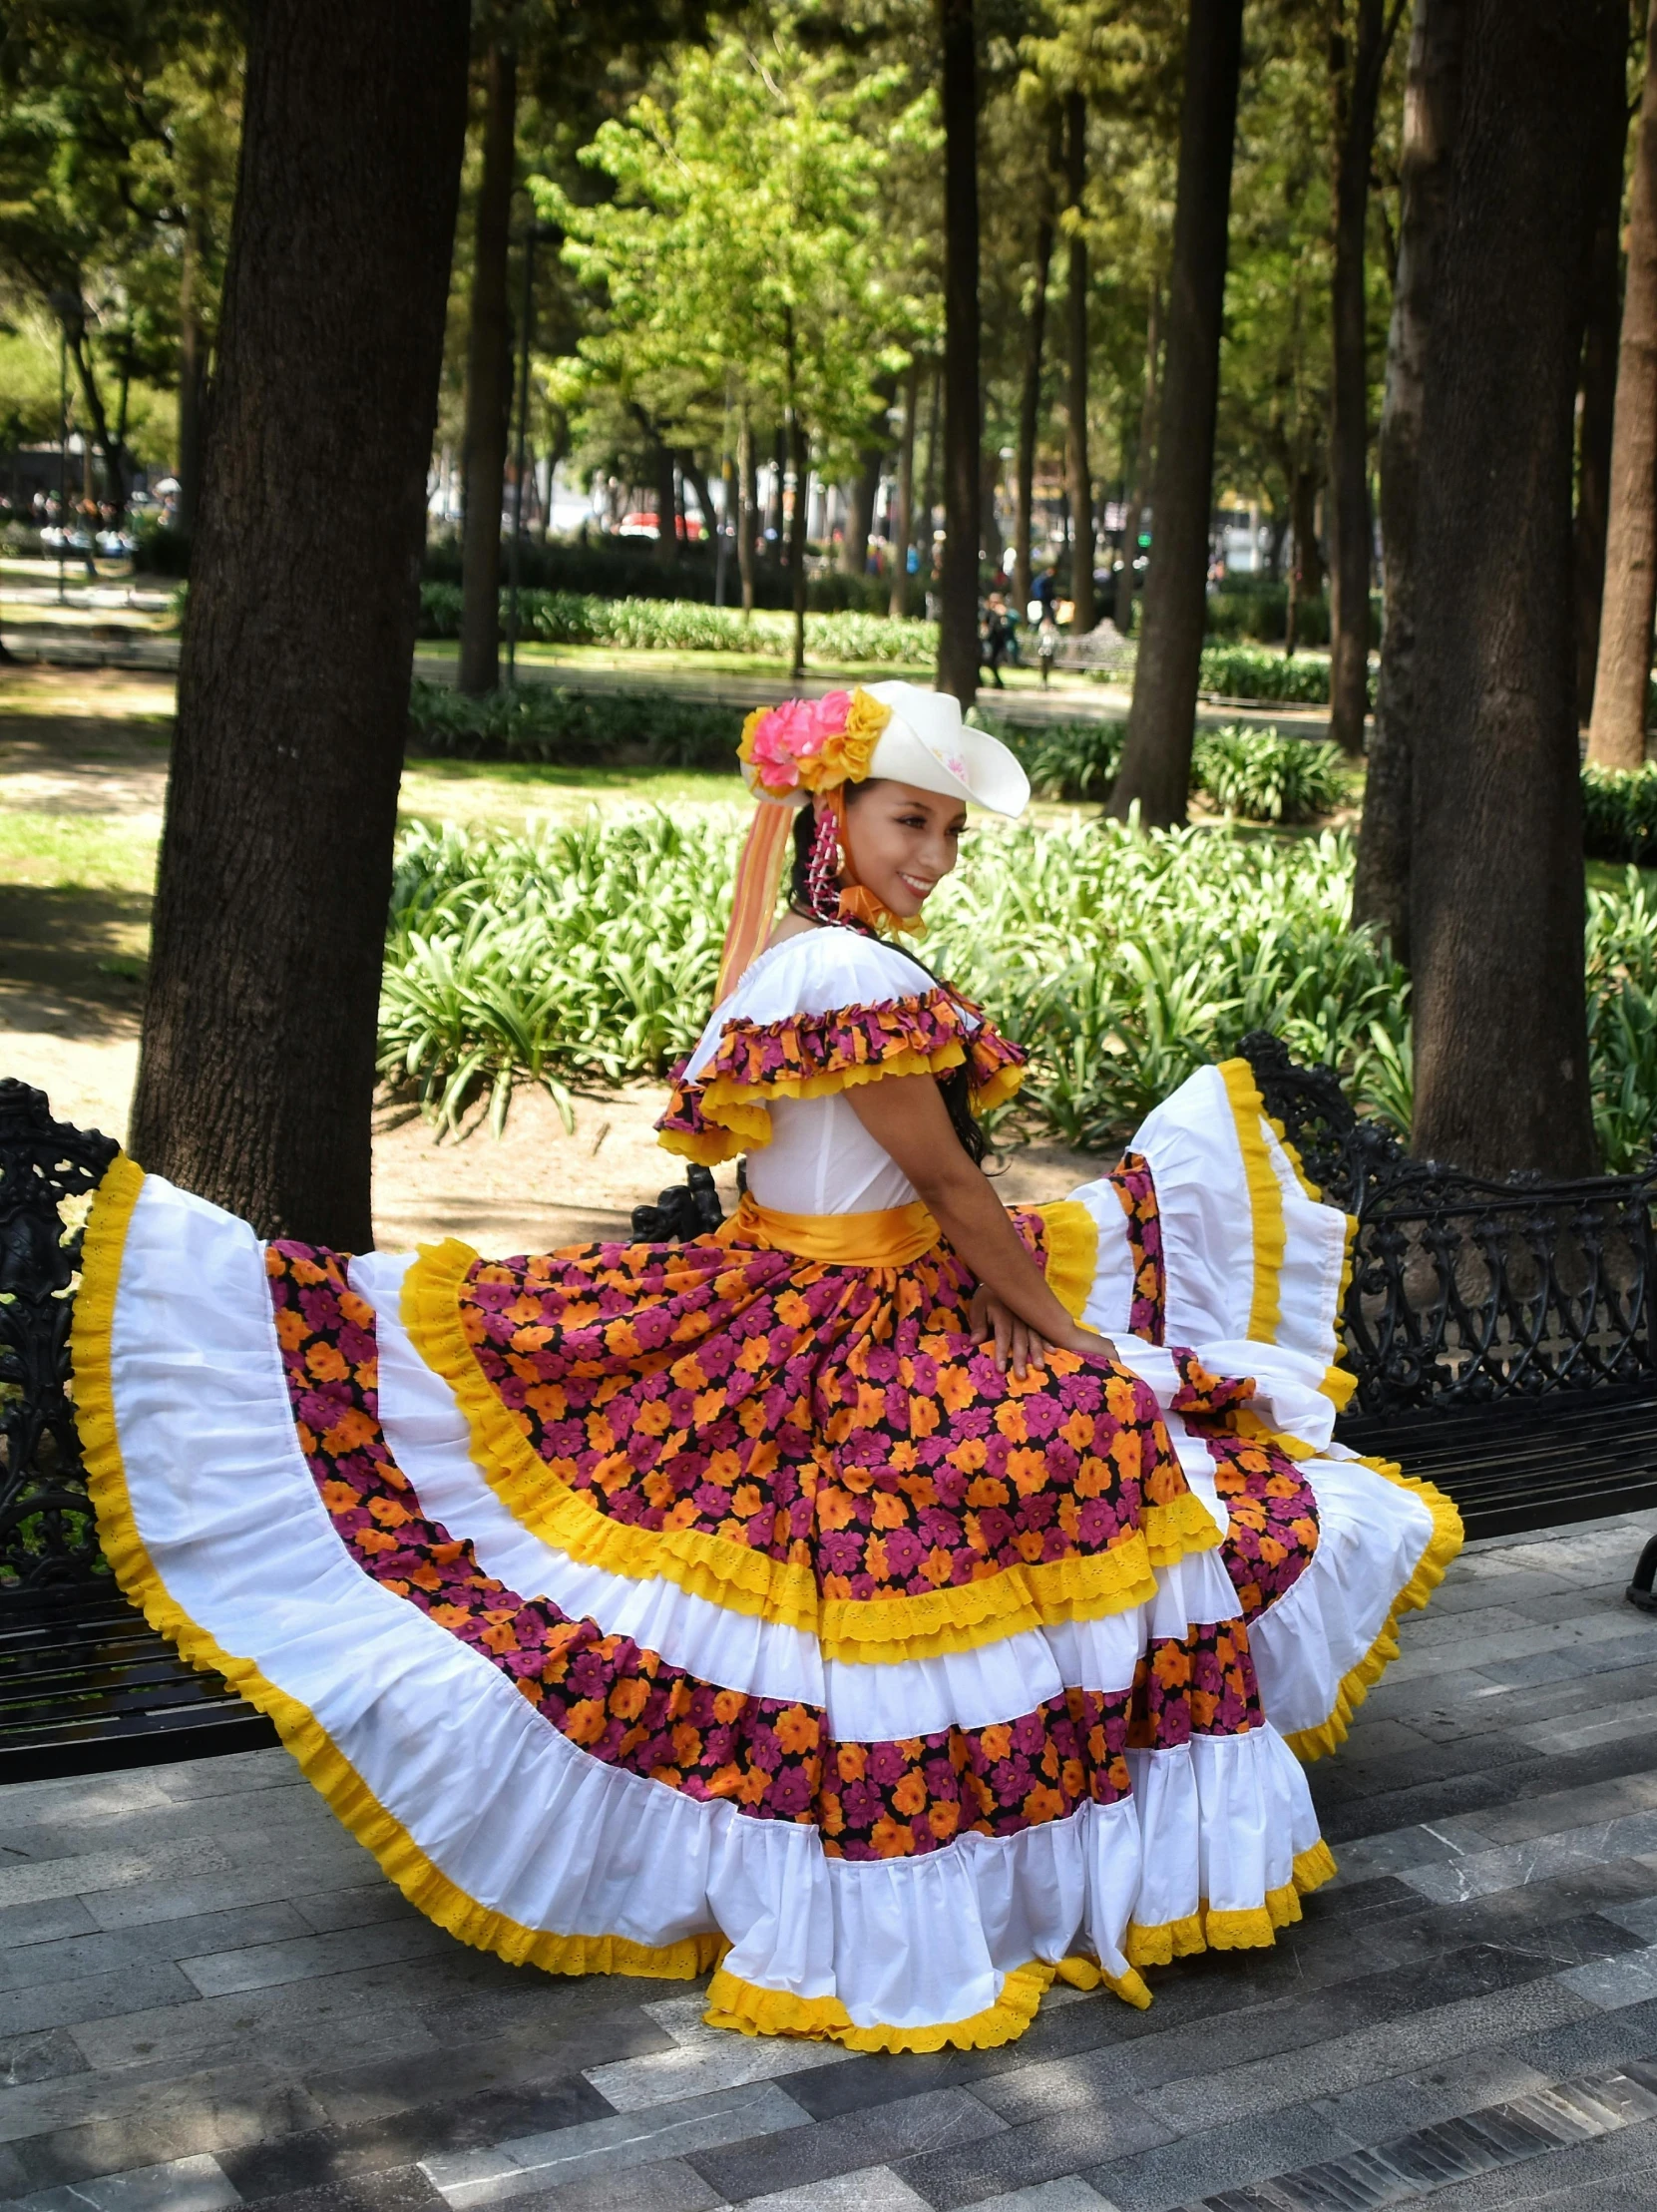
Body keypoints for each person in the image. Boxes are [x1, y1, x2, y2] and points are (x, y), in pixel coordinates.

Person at [73, 681, 1460, 2053]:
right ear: (834, 814)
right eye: (910, 821)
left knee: (1043, 1447)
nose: (935, 856)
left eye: (950, 833)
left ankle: (1044, 1808)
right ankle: (1053, 1827)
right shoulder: (853, 976)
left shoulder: (799, 952)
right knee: (1092, 1427)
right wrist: (1066, 1331)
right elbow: (957, 1196)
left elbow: (907, 1198)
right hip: (851, 1314)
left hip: (809, 1290)